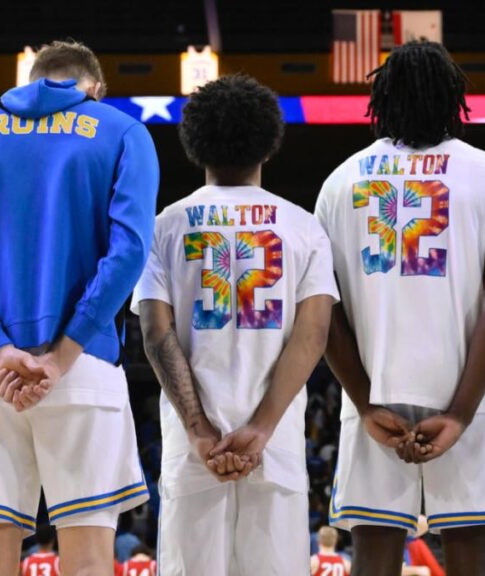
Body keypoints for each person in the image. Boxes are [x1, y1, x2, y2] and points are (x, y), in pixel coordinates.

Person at [0, 40, 158, 575]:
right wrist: (61, 357)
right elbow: (129, 251)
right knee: (90, 555)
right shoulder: (121, 131)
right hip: (83, 366)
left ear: (31, 78)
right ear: (94, 89)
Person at [316, 40, 485, 576]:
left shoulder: (339, 183)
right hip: (466, 395)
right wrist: (459, 412)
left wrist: (365, 402)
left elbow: (322, 309)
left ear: (380, 101)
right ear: (454, 98)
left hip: (373, 398)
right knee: (470, 554)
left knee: (374, 555)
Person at [132, 73, 338, 575]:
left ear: (195, 146)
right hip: (276, 444)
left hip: (193, 447)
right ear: (269, 144)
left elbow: (156, 334)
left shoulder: (165, 225)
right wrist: (262, 427)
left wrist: (202, 431)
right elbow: (312, 336)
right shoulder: (302, 225)